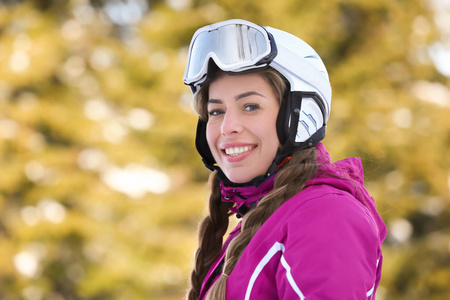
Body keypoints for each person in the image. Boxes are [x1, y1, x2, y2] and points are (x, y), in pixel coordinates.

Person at [182, 19, 387, 300]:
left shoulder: (325, 216)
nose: (227, 126)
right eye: (216, 111)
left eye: (250, 106)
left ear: (301, 116)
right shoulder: (263, 222)